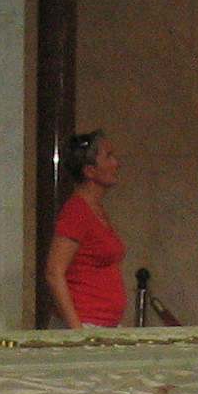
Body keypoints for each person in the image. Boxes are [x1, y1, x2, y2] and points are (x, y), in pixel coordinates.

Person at [43, 129, 125, 329]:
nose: (116, 163)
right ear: (90, 171)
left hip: (100, 325)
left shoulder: (94, 209)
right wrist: (77, 331)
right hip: (85, 325)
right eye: (108, 157)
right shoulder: (76, 212)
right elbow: (54, 272)